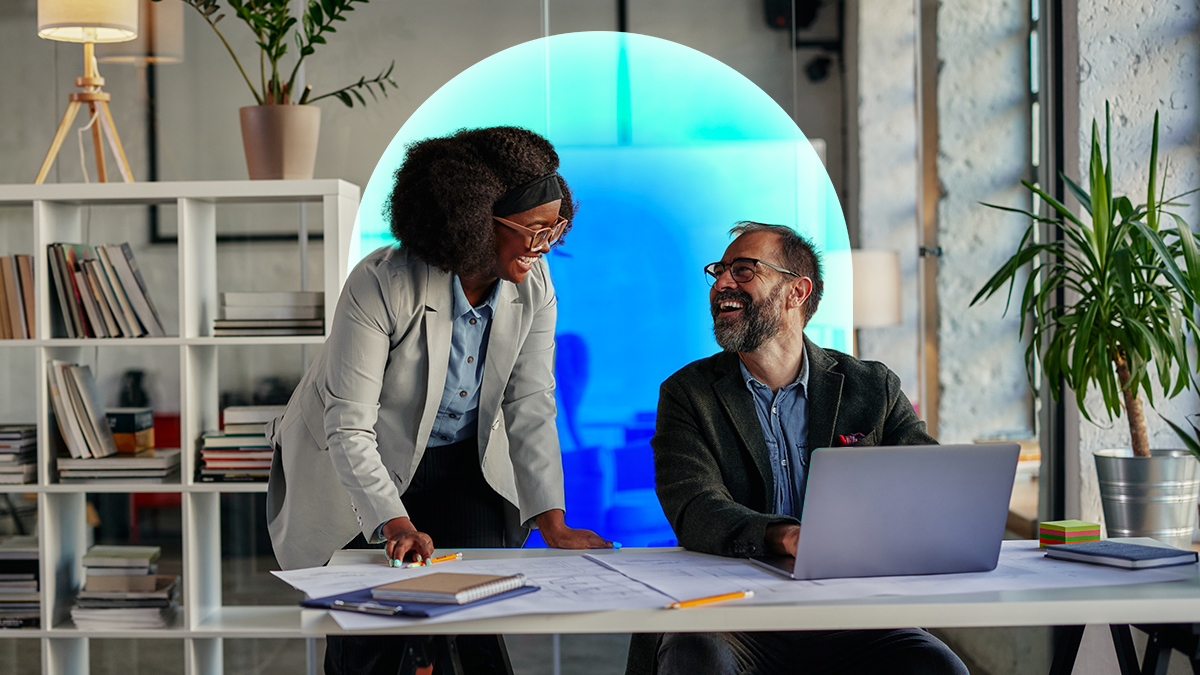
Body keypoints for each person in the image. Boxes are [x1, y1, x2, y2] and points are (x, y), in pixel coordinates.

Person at [265, 126, 611, 675]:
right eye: (534, 229)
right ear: (475, 222)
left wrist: (553, 519)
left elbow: (531, 401)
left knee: (476, 625)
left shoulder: (534, 282)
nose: (546, 245)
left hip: (460, 466)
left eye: (556, 227)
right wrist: (393, 523)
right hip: (358, 465)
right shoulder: (381, 283)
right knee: (369, 634)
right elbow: (349, 425)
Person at [627, 222, 968, 675]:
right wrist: (783, 535)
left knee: (937, 667)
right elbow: (694, 506)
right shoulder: (688, 393)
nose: (722, 283)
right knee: (696, 655)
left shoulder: (872, 387)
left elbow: (930, 482)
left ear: (797, 292)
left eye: (744, 270)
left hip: (849, 614)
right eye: (720, 272)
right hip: (731, 616)